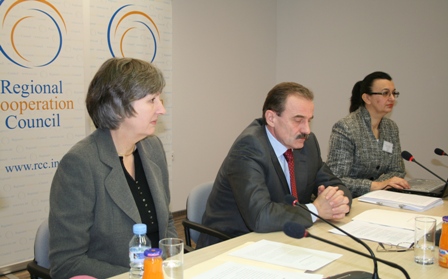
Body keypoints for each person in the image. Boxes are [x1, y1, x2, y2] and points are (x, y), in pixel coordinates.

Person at [48, 58, 178, 278]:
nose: (162, 109)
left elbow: (167, 226)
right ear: (118, 107)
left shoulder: (153, 148)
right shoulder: (80, 164)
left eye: (160, 99)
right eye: (151, 100)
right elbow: (67, 263)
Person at [196, 82, 352, 248]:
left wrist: (335, 200)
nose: (306, 130)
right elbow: (260, 217)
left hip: (283, 237)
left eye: (309, 120)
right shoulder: (249, 148)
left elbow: (337, 186)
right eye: (298, 120)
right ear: (271, 118)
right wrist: (316, 210)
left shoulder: (306, 143)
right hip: (233, 243)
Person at [326, 71, 410, 198]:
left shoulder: (391, 128)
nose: (392, 98)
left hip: (379, 198)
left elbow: (397, 170)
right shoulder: (346, 127)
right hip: (348, 201)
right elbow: (336, 179)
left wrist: (385, 184)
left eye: (394, 93)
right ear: (367, 98)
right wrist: (377, 185)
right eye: (385, 93)